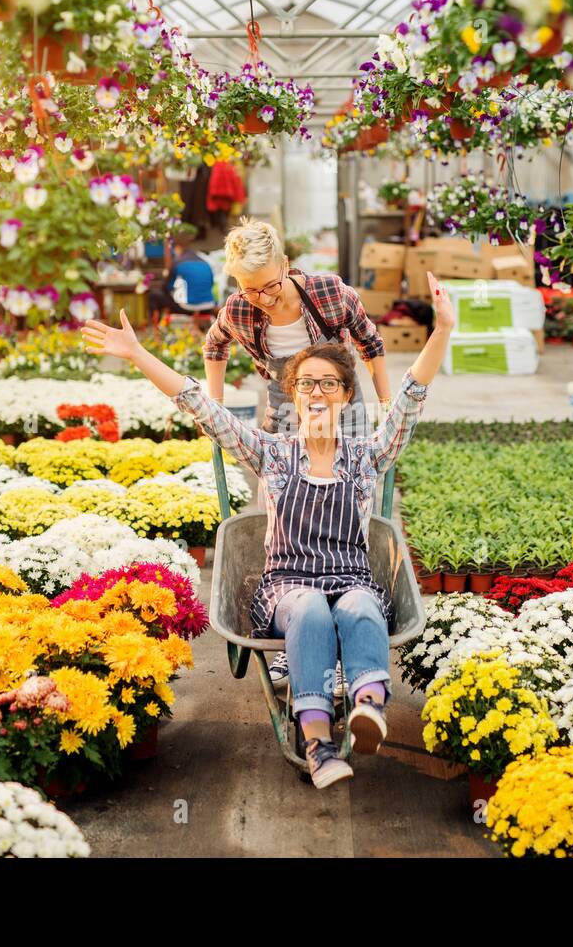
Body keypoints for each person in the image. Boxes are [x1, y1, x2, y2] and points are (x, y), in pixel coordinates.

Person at [81, 273, 455, 789]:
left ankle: (369, 705)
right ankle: (320, 741)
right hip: (286, 587)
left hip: (353, 579)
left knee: (360, 607)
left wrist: (441, 331)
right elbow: (201, 405)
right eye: (306, 384)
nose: (317, 392)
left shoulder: (367, 455)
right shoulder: (272, 454)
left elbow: (411, 397)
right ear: (294, 397)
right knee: (309, 609)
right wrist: (139, 355)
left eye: (328, 383)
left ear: (346, 396)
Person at [203, 218, 392, 439]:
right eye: (251, 290)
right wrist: (216, 406)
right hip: (284, 421)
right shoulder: (239, 309)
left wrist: (385, 404)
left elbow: (370, 344)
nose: (264, 299)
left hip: (344, 417)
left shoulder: (330, 294)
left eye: (271, 285)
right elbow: (214, 345)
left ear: (284, 264)